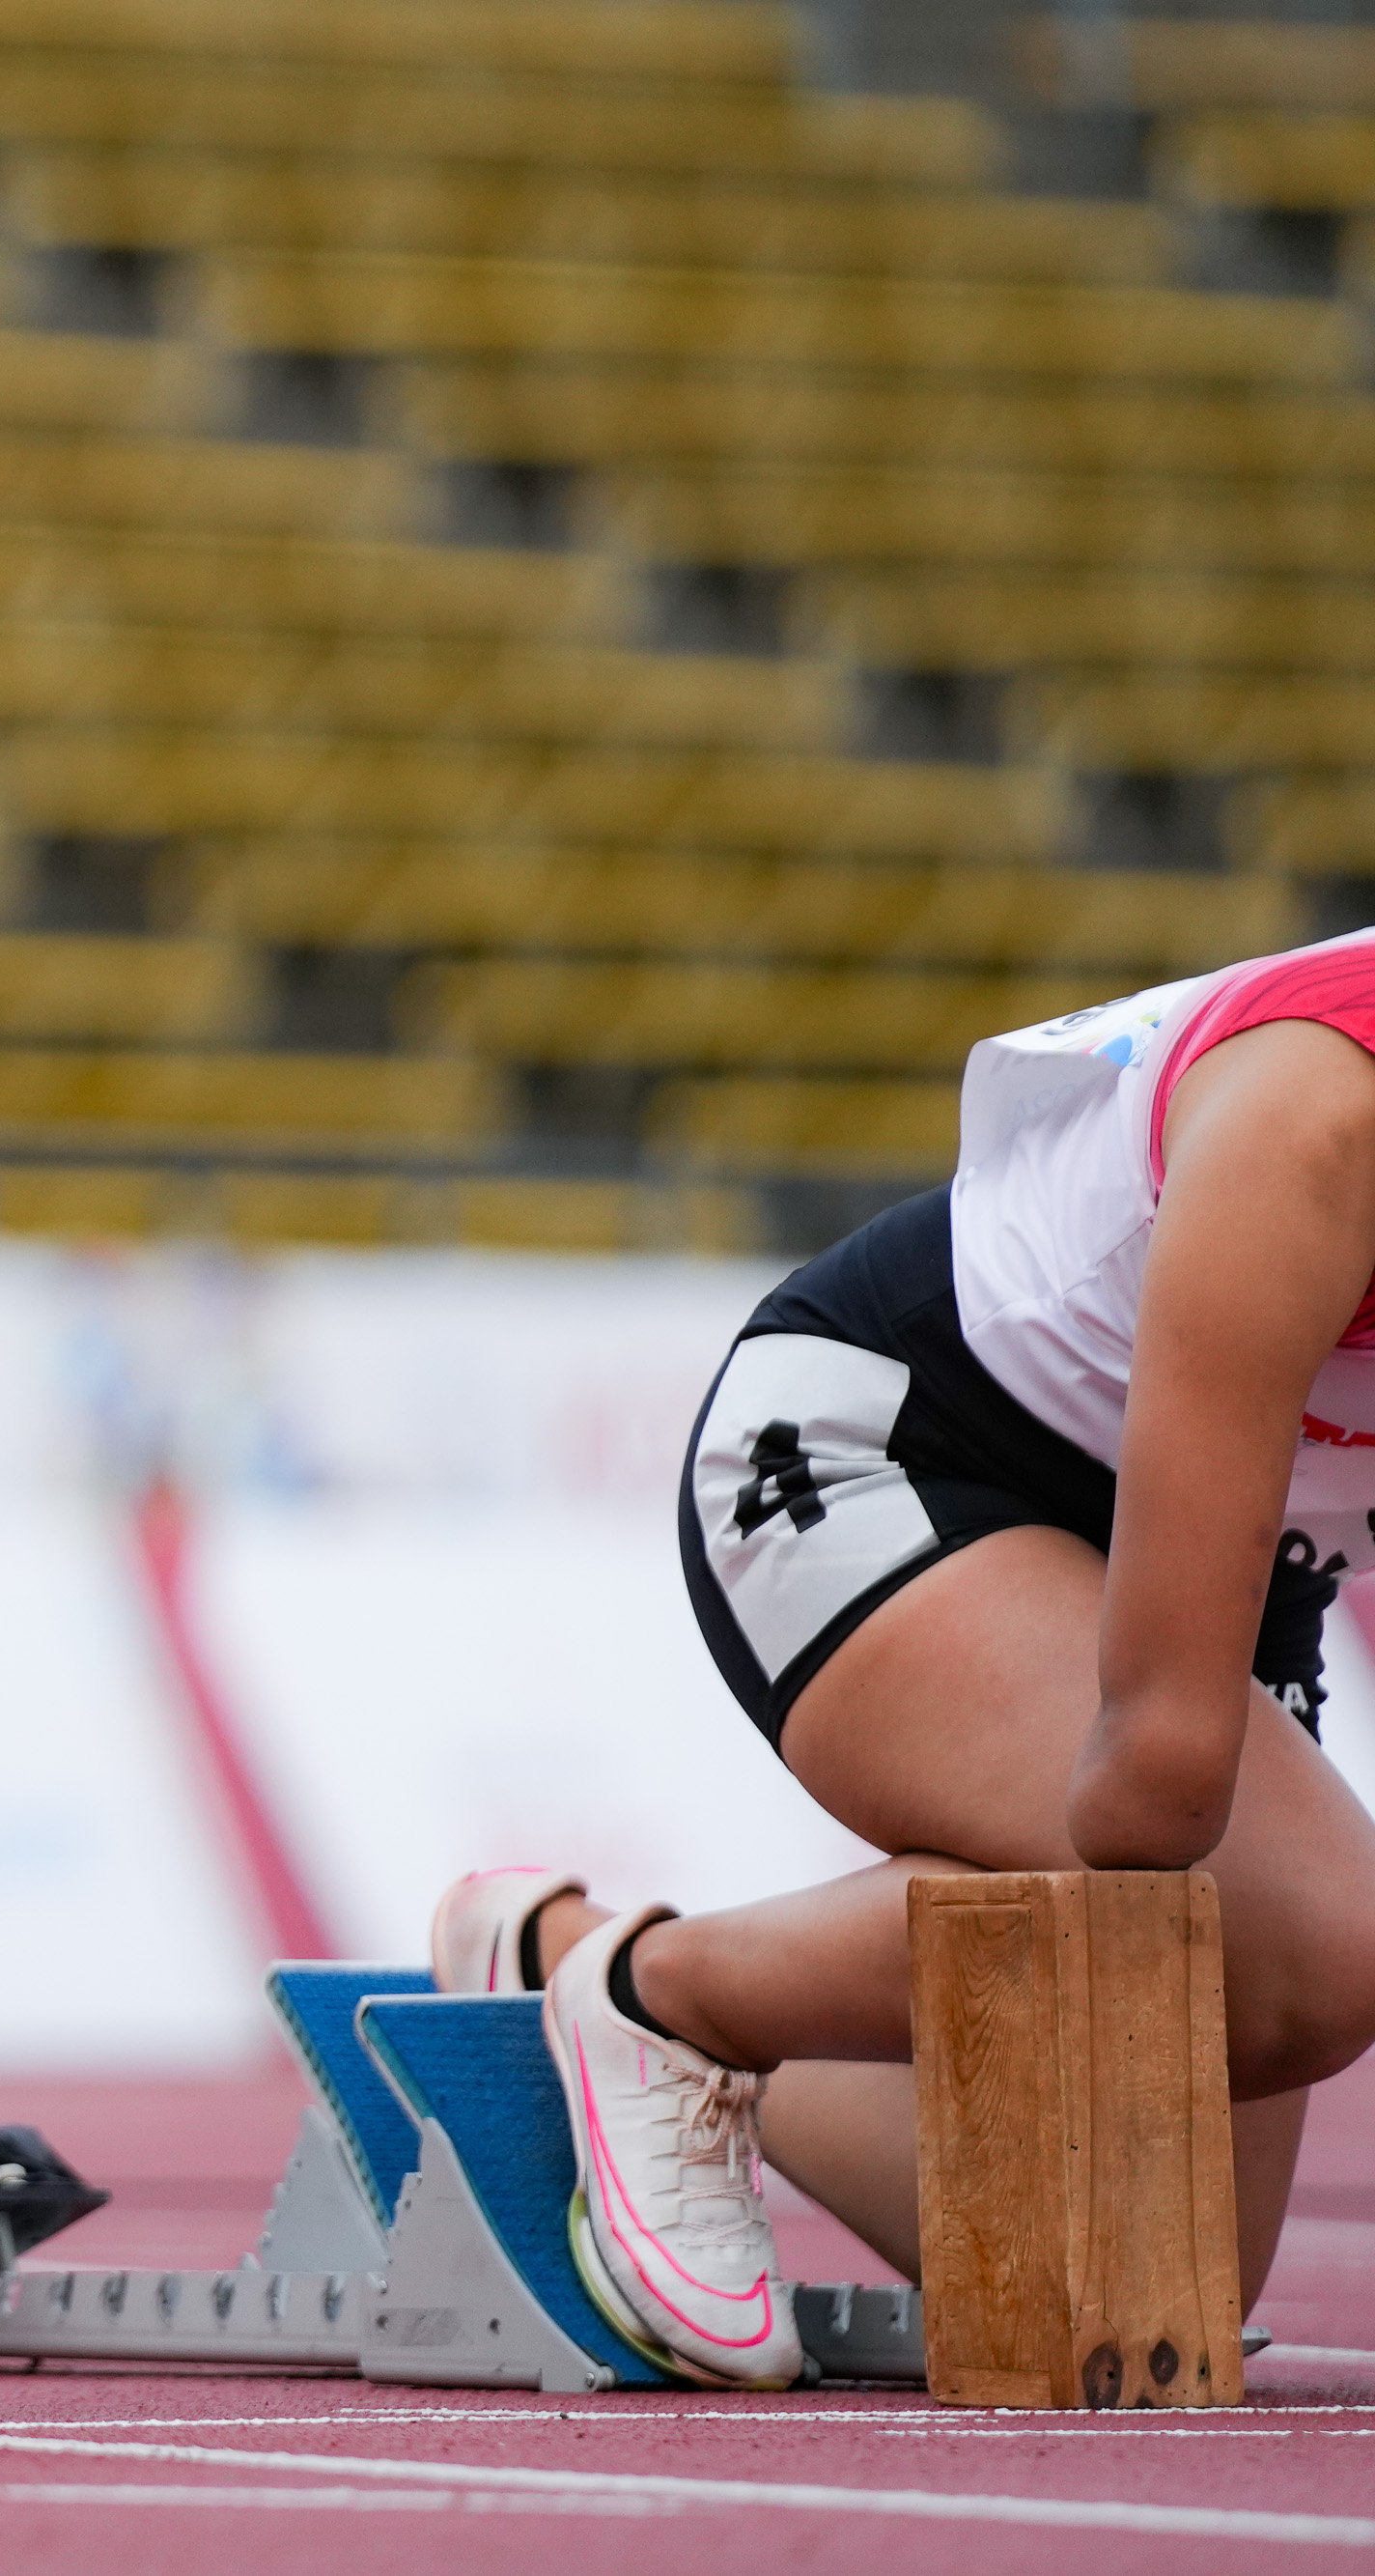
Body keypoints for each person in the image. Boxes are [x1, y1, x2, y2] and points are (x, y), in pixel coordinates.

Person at [430, 932, 1375, 2389]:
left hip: (1226, 1557)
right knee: (1309, 1951)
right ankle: (660, 1997)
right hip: (886, 1453)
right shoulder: (1321, 1114)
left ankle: (625, 1981)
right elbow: (1154, 1790)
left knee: (1159, 2259)